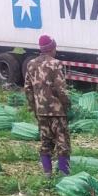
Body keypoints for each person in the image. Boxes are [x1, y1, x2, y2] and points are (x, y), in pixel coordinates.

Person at [24, 34, 70, 177]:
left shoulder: (31, 64)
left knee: (45, 143)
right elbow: (61, 89)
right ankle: (64, 175)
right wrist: (67, 104)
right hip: (57, 112)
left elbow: (27, 88)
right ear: (51, 48)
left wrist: (34, 107)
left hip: (41, 112)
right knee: (62, 144)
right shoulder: (55, 64)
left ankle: (47, 175)